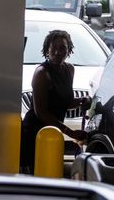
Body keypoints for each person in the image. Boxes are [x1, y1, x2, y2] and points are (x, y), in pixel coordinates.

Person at [20, 29, 89, 174]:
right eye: (54, 48)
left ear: (69, 50)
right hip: (35, 134)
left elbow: (64, 102)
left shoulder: (69, 69)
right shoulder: (42, 73)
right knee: (35, 175)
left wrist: (82, 101)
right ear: (47, 50)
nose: (58, 52)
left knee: (51, 172)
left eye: (63, 48)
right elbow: (41, 113)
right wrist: (71, 133)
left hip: (53, 132)